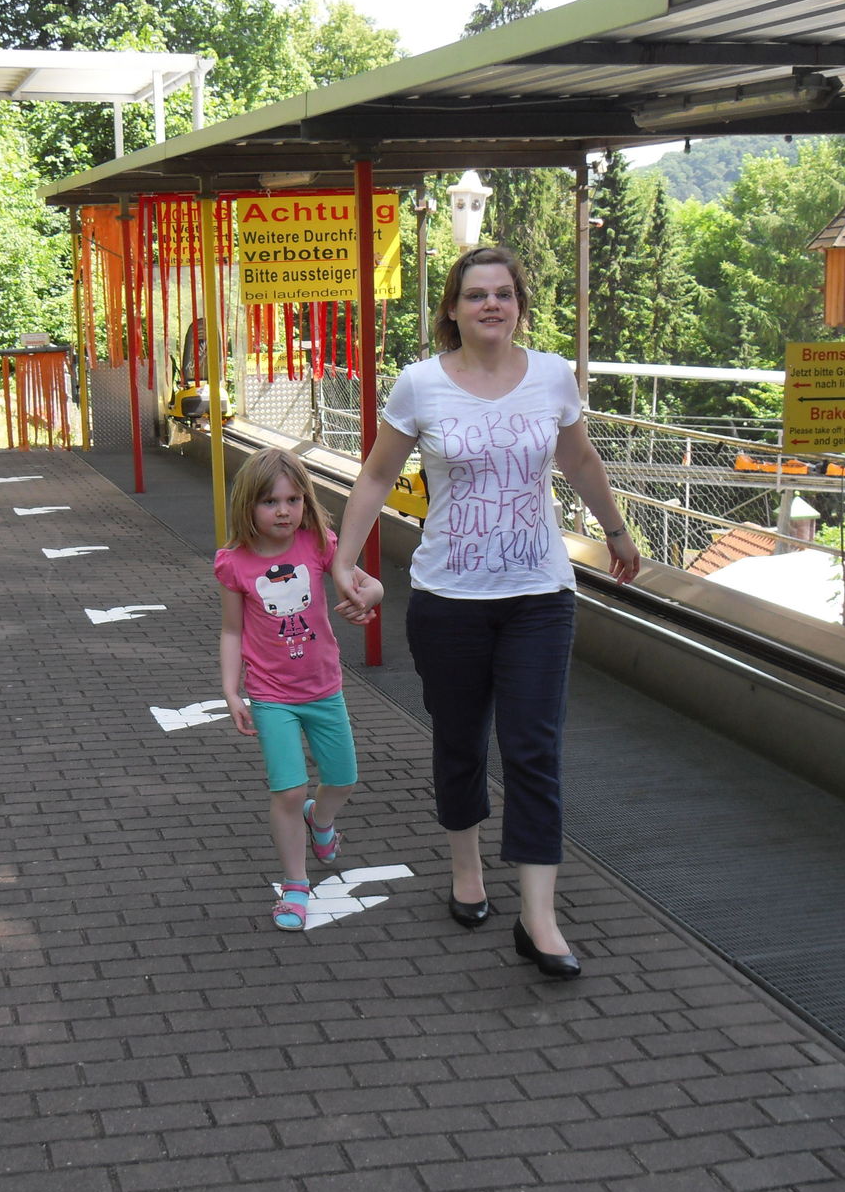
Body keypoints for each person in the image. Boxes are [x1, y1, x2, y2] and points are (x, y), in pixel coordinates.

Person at [332, 245, 639, 978]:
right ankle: (466, 867)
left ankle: (539, 919)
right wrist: (344, 560)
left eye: (503, 293)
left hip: (540, 596)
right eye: (476, 295)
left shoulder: (553, 376)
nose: (491, 305)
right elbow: (376, 475)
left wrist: (617, 530)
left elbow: (580, 460)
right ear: (453, 308)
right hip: (449, 601)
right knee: (462, 740)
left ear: (520, 305)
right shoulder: (421, 384)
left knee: (533, 749)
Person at [217, 447, 382, 930]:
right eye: (270, 501)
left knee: (343, 780)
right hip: (271, 696)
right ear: (247, 505)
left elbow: (368, 584)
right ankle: (294, 886)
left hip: (324, 688)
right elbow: (231, 631)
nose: (284, 511)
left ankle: (321, 819)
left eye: (293, 500)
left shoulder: (318, 544)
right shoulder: (234, 563)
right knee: (288, 791)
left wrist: (368, 597)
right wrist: (232, 691)